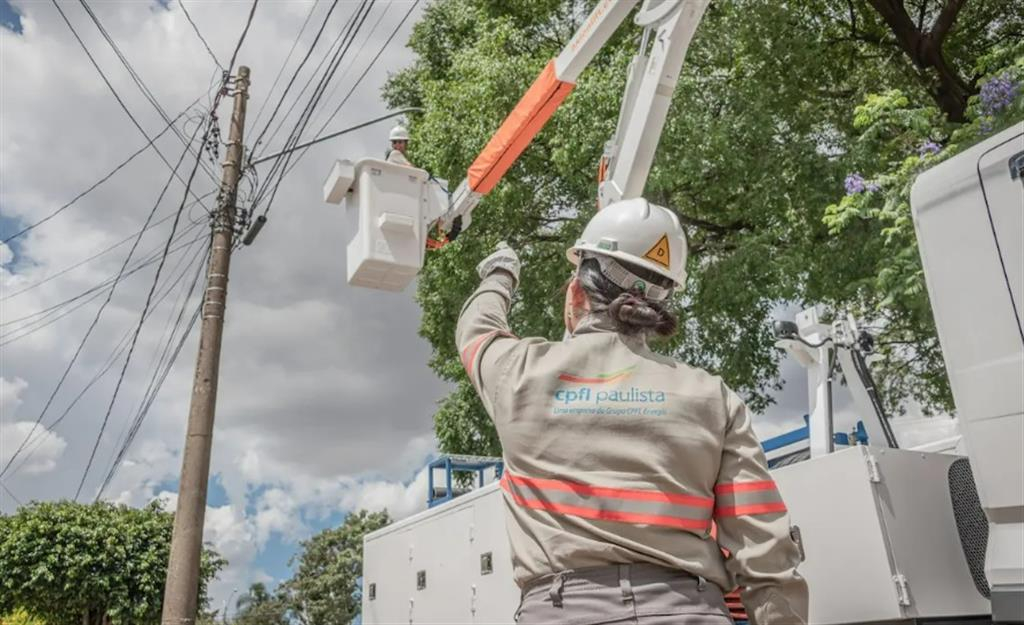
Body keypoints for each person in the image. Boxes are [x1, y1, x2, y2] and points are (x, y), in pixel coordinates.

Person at [456, 198, 808, 625]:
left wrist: (501, 273)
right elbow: (764, 550)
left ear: (576, 293)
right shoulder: (711, 396)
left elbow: (477, 328)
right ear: (656, 311)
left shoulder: (517, 373)